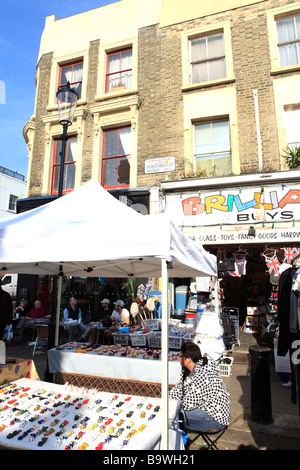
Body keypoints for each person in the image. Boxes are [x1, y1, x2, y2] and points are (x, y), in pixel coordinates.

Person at [169, 342, 230, 432]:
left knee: (174, 416)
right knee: (172, 411)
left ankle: (177, 441)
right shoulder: (190, 369)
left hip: (215, 419)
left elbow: (188, 404)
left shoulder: (203, 375)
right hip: (205, 408)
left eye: (180, 355)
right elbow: (180, 388)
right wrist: (167, 398)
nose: (178, 358)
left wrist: (171, 405)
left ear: (188, 359)